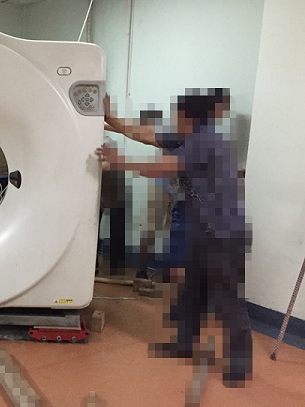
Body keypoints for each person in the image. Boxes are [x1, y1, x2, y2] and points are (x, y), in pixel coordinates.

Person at [96, 89, 252, 387]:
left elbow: (164, 167)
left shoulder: (205, 141)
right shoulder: (184, 134)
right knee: (189, 289)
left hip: (223, 233)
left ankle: (239, 363)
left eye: (177, 115)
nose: (172, 119)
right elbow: (145, 134)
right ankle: (184, 343)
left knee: (226, 298)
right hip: (198, 229)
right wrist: (110, 118)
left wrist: (118, 161)